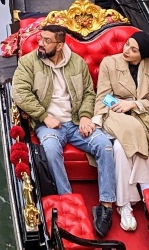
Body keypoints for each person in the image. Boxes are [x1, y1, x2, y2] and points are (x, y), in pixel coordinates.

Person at [12, 24, 118, 237]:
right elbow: (20, 93)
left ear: (60, 45)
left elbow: (89, 93)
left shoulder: (77, 63)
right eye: (40, 38)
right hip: (48, 125)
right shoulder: (28, 62)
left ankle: (105, 206)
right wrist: (44, 116)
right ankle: (67, 200)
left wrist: (87, 116)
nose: (40, 43)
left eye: (46, 41)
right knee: (50, 149)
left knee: (105, 146)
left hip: (76, 122)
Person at [93, 31, 149, 232]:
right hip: (112, 114)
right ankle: (147, 191)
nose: (126, 50)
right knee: (132, 130)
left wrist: (131, 104)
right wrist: (118, 105)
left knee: (119, 148)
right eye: (126, 45)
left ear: (143, 55)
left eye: (133, 50)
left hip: (139, 116)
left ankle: (124, 204)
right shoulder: (110, 63)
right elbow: (103, 97)